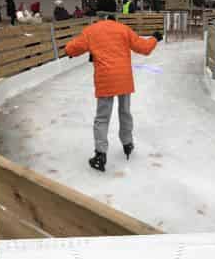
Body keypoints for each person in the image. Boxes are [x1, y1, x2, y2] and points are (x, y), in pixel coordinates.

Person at [64, 15, 161, 172]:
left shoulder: (91, 31)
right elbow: (144, 48)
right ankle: (128, 143)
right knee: (125, 112)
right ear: (114, 16)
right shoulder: (123, 29)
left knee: (102, 117)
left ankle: (100, 155)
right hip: (124, 79)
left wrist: (69, 50)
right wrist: (154, 38)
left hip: (105, 80)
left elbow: (73, 48)